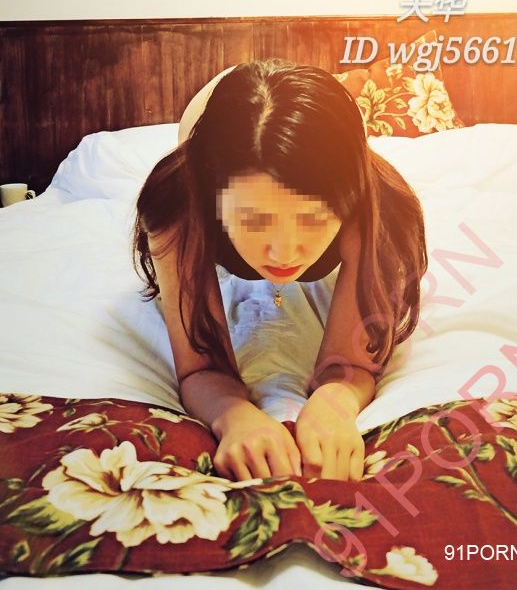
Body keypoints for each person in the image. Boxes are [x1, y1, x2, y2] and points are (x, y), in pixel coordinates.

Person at [132, 58, 428, 483]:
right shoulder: (176, 206)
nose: (285, 252)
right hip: (198, 131)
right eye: (254, 220)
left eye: (312, 218)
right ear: (213, 199)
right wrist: (232, 415)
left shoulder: (381, 208)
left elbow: (349, 362)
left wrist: (334, 405)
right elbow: (200, 365)